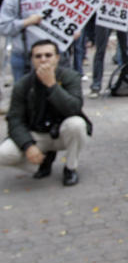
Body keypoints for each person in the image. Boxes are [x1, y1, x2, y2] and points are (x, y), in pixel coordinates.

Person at [0, 40, 88, 186]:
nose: (43, 59)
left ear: (57, 58)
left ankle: (70, 168)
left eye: (48, 55)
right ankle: (42, 163)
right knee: (3, 154)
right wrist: (28, 146)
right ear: (32, 60)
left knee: (77, 124)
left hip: (62, 132)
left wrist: (52, 85)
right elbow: (14, 120)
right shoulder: (23, 84)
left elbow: (74, 108)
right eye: (38, 56)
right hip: (36, 134)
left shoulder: (70, 77)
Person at [0, 0, 59, 82]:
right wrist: (26, 22)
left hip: (51, 55)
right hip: (23, 55)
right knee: (24, 97)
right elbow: (3, 26)